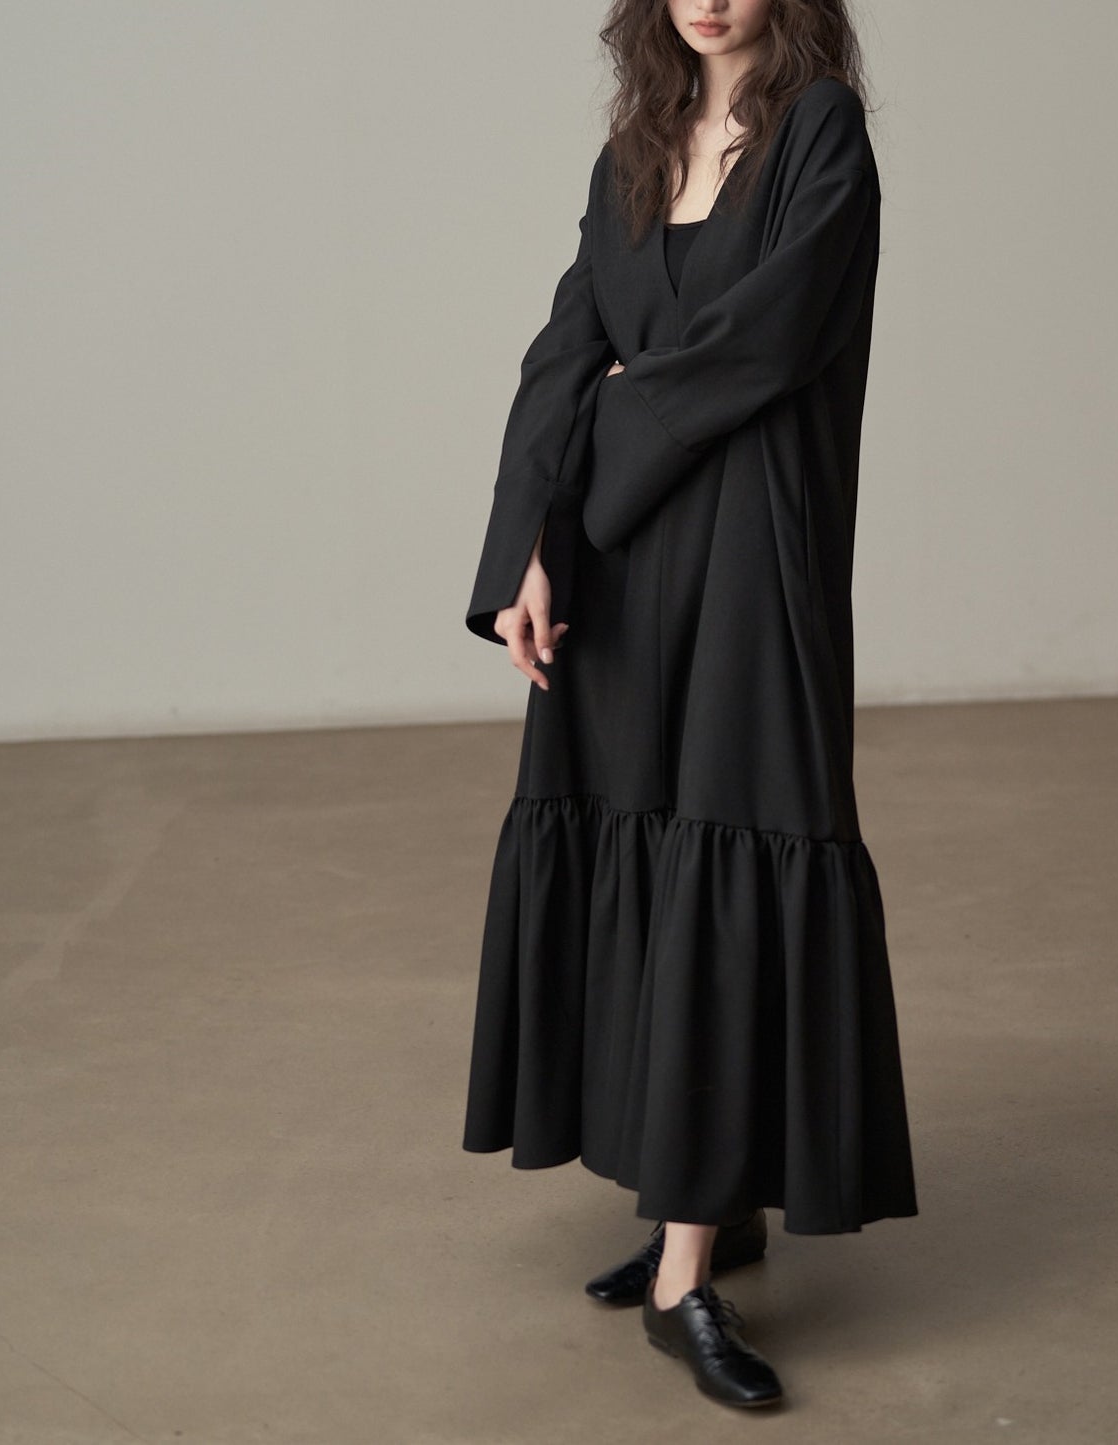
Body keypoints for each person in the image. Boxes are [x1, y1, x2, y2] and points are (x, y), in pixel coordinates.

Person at [461, 0, 918, 1410]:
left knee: (732, 837)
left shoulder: (820, 132)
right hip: (620, 559)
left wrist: (612, 417)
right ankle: (704, 1200)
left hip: (750, 549)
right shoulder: (634, 150)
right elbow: (564, 348)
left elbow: (764, 346)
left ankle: (682, 1281)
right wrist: (529, 546)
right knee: (642, 847)